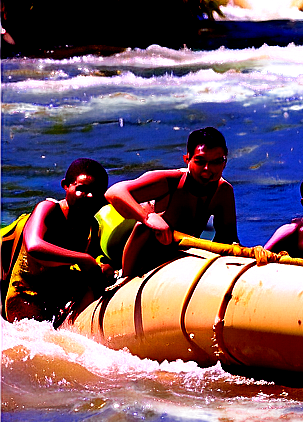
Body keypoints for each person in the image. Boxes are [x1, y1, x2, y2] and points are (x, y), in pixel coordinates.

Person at [105, 127, 238, 277]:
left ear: (225, 162)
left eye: (216, 162)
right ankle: (125, 277)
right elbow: (114, 192)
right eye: (200, 161)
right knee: (143, 227)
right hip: (133, 255)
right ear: (187, 159)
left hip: (174, 255)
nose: (207, 169)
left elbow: (229, 238)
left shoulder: (223, 191)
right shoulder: (170, 182)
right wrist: (148, 218)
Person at [3, 158, 114, 323]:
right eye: (82, 189)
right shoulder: (48, 209)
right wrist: (82, 259)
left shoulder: (91, 226)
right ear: (66, 185)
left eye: (96, 191)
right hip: (23, 294)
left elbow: (93, 267)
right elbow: (34, 246)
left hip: (52, 293)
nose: (90, 196)